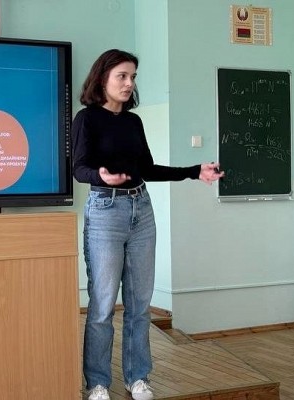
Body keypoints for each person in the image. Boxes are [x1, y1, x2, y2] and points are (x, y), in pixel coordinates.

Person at [71, 49, 224, 400]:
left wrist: (193, 172)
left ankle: (137, 377)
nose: (129, 83)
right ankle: (97, 383)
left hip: (141, 209)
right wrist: (101, 176)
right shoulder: (87, 119)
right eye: (122, 76)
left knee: (139, 304)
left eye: (133, 77)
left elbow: (147, 169)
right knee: (102, 306)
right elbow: (79, 169)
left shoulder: (132, 122)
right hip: (105, 212)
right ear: (102, 78)